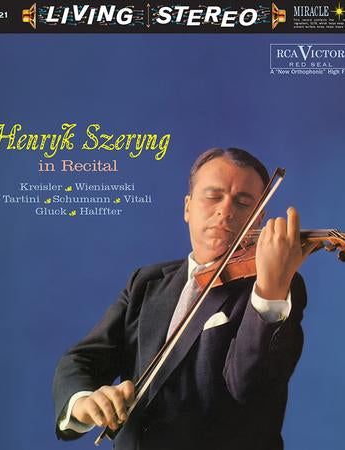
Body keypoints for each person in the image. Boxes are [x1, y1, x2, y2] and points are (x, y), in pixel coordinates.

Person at [52, 147, 312, 450]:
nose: (225, 211)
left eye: (243, 203)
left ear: (259, 219)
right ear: (188, 207)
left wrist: (270, 289)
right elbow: (82, 359)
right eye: (213, 197)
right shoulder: (145, 282)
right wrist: (84, 401)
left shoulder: (274, 287)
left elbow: (250, 387)